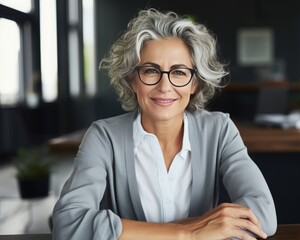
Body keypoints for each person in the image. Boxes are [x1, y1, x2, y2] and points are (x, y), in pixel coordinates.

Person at [52, 8, 277, 240]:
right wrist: (187, 233)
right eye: (151, 71)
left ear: (194, 84)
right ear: (132, 80)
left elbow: (263, 215)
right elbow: (68, 224)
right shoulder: (104, 136)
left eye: (179, 72)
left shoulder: (219, 130)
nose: (164, 86)